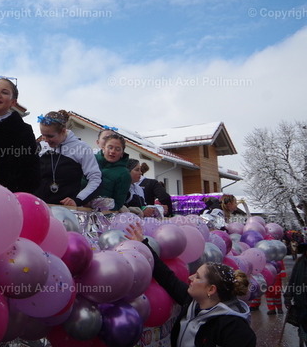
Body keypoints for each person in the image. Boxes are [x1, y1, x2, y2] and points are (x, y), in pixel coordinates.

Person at [127, 223, 257, 347]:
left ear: (211, 289)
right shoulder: (192, 302)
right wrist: (143, 244)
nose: (190, 278)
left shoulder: (235, 330)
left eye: (198, 277)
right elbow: (166, 277)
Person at [35, 110, 101, 207]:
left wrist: (78, 200)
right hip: (38, 204)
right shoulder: (41, 146)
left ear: (63, 131)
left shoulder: (82, 148)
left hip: (63, 209)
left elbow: (95, 179)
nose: (46, 140)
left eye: (50, 136)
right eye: (43, 135)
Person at [91, 132, 131, 211]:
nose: (113, 151)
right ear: (103, 148)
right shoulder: (90, 160)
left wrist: (105, 204)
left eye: (117, 149)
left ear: (122, 153)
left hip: (99, 213)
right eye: (110, 147)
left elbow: (118, 203)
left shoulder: (124, 174)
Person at [285, 243, 307, 346]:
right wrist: (288, 297)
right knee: (303, 325)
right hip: (301, 302)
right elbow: (292, 280)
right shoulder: (300, 263)